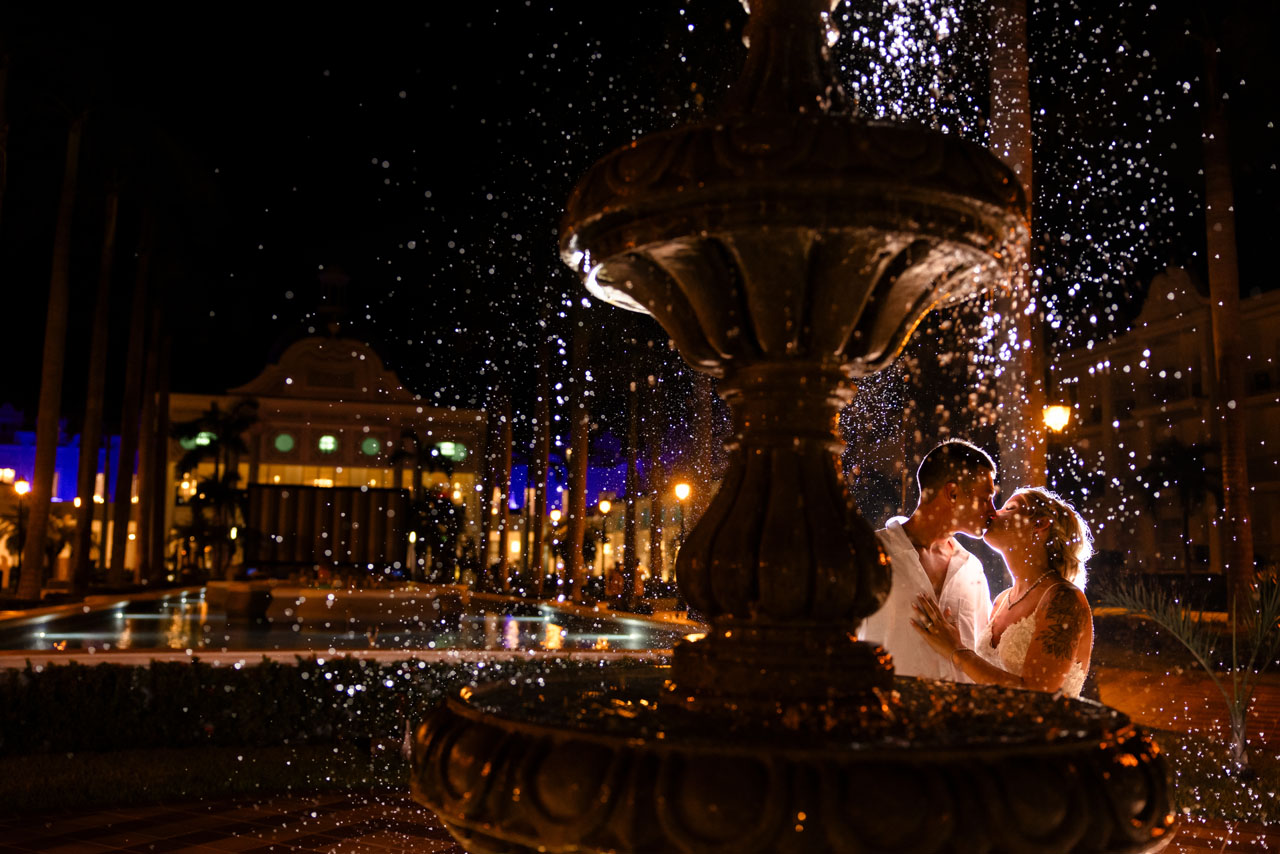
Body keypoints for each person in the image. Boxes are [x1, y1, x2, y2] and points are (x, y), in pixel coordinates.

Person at [911, 487, 1094, 697]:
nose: (993, 513)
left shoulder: (1063, 598)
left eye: (1010, 508)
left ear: (1040, 524)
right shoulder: (1001, 601)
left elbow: (1039, 696)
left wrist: (957, 651)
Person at [861, 440, 997, 681]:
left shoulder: (972, 570)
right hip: (888, 712)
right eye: (986, 498)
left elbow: (982, 654)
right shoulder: (872, 554)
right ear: (952, 493)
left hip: (958, 715)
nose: (992, 511)